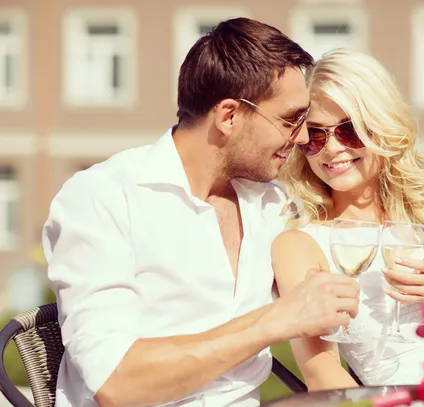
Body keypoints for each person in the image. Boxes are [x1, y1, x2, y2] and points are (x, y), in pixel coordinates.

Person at [41, 18, 362, 407]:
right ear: (228, 116)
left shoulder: (273, 206)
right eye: (291, 119)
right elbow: (116, 384)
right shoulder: (102, 198)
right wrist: (275, 320)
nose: (302, 138)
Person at [271, 48, 424, 391]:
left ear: (382, 128)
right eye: (315, 135)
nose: (331, 149)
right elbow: (320, 374)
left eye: (349, 130)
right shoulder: (301, 245)